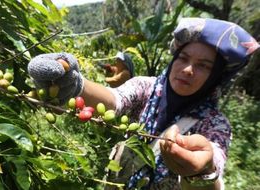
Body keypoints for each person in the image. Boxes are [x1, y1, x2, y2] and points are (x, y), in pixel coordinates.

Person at [27, 17, 260, 189]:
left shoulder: (215, 125)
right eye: (184, 59)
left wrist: (203, 170)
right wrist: (75, 84)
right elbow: (114, 100)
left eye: (204, 66)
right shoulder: (147, 88)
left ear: (215, 78)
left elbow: (215, 164)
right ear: (174, 59)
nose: (188, 70)